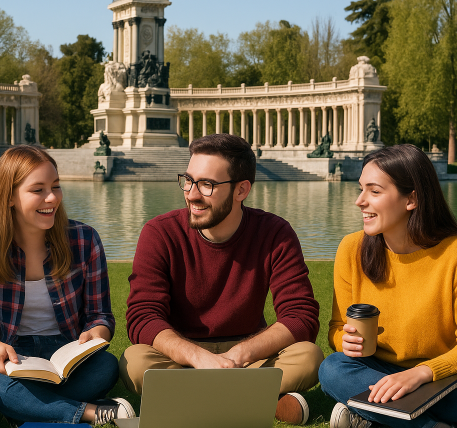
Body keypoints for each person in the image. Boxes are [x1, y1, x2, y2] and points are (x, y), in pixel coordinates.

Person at [120, 133, 324, 425]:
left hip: (248, 356)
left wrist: (238, 355)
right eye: (188, 180)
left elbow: (301, 316)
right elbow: (143, 316)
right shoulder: (159, 232)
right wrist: (198, 358)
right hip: (182, 357)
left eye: (207, 185)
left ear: (241, 190)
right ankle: (258, 401)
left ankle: (188, 399)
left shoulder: (275, 233)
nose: (191, 194)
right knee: (135, 362)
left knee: (309, 356)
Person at [319, 144, 457, 428]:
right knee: (333, 369)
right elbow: (337, 328)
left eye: (374, 191)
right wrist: (344, 340)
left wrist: (420, 374)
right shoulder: (351, 248)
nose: (360, 201)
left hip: (440, 377)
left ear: (411, 199)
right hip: (377, 372)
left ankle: (373, 417)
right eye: (361, 189)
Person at [0, 145, 134, 425]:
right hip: (14, 355)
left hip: (69, 352)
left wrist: (96, 334)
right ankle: (93, 412)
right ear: (9, 196)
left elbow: (100, 315)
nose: (52, 198)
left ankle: (25, 407)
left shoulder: (84, 239)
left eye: (56, 186)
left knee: (107, 366)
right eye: (38, 189)